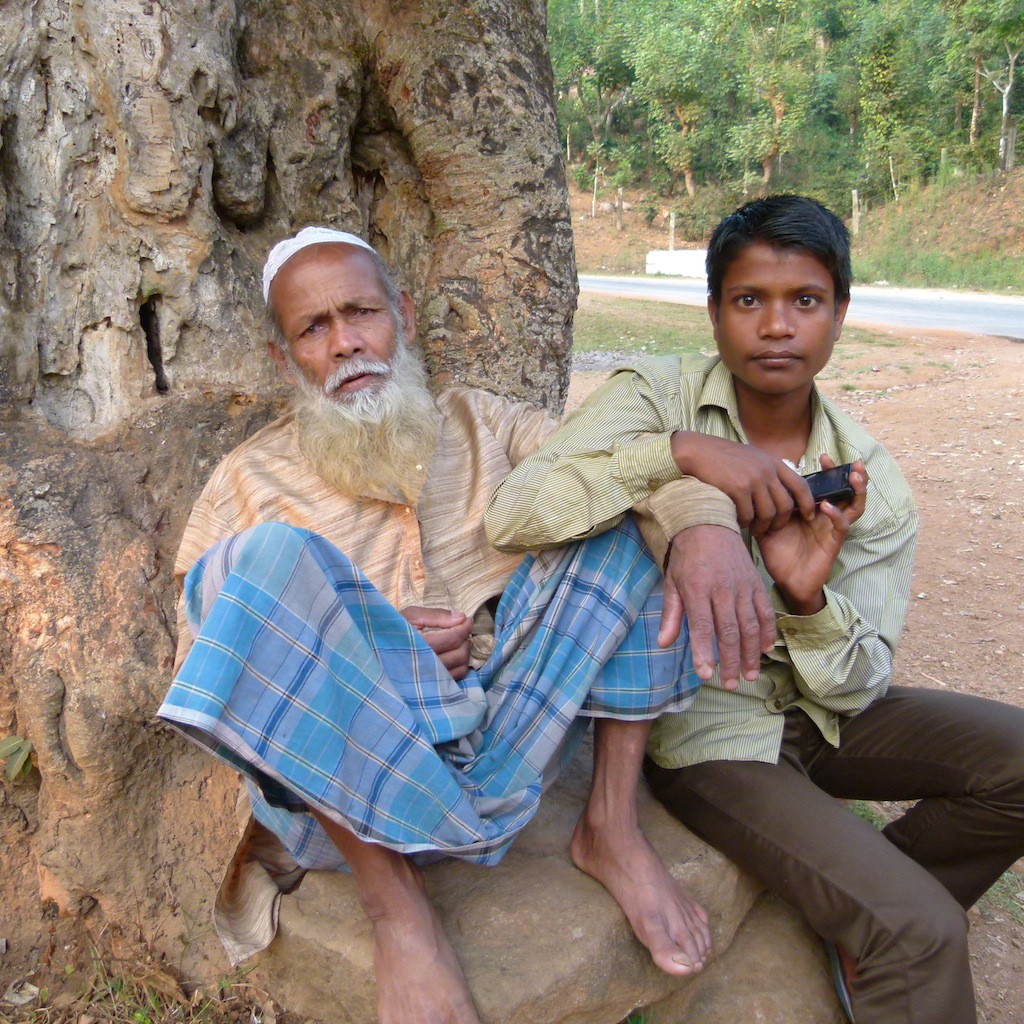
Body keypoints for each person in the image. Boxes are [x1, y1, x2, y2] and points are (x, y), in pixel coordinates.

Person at [158, 227, 765, 1024]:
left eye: (361, 312)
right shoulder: (247, 477)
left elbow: (627, 461)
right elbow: (209, 644)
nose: (346, 343)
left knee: (619, 506)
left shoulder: (484, 423)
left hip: (514, 735)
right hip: (354, 780)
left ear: (402, 314)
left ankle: (611, 827)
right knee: (259, 562)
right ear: (286, 358)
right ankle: (397, 910)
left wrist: (703, 527)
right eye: (313, 329)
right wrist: (369, 640)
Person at [485, 195, 1024, 1024]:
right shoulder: (657, 397)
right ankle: (894, 926)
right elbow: (518, 511)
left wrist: (804, 595)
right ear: (714, 312)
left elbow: (857, 687)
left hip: (820, 715)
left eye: (804, 301)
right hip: (706, 729)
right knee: (921, 934)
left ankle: (871, 911)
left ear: (840, 314)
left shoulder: (869, 478)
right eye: (749, 301)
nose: (777, 326)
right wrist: (683, 457)